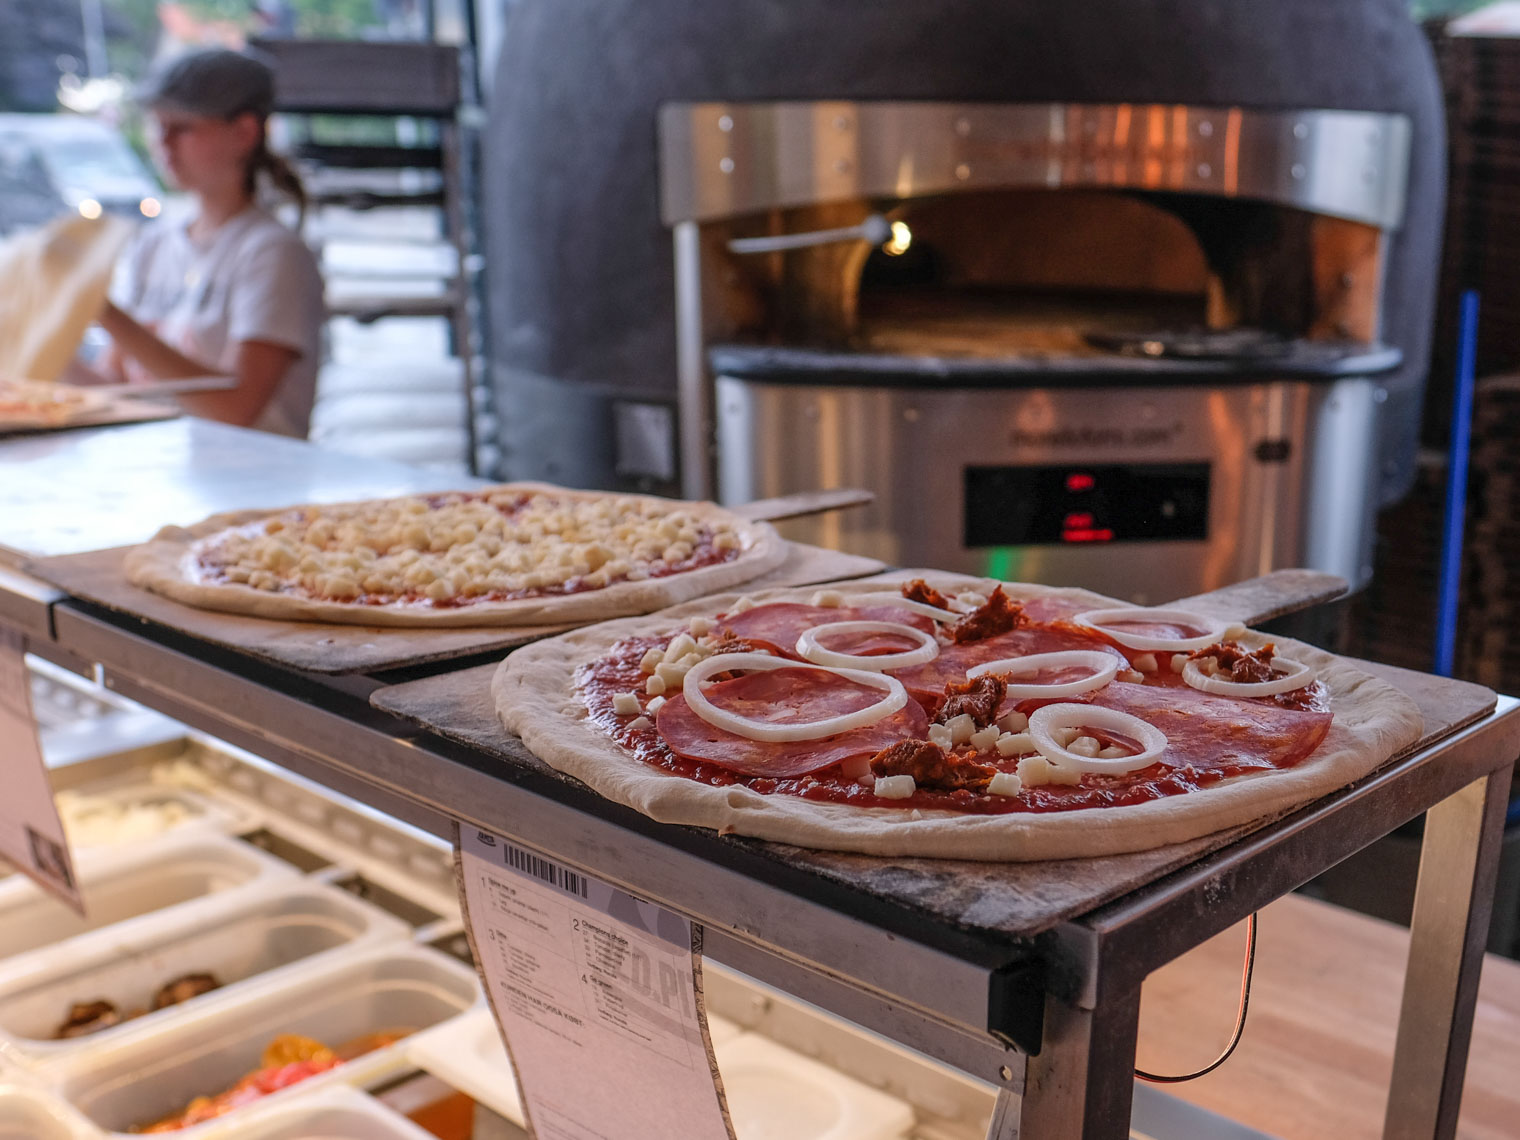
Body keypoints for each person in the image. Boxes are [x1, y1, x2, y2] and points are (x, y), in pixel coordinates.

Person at [89, 48, 325, 437]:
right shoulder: (153, 246)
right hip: (154, 474)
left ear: (245, 133)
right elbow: (107, 395)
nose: (163, 143)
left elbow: (233, 409)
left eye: (182, 127)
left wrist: (101, 311)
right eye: (156, 125)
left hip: (253, 485)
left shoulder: (272, 253)